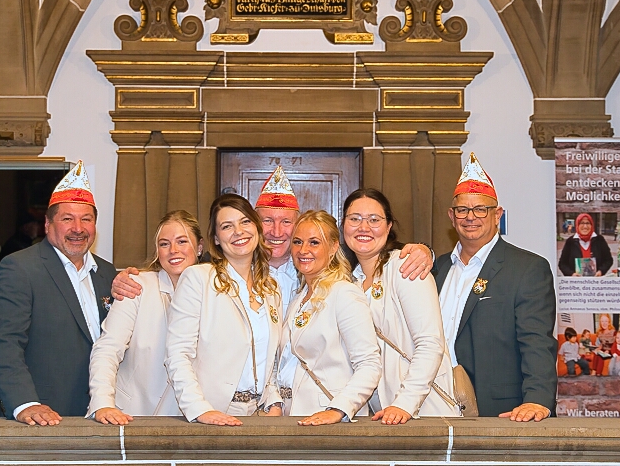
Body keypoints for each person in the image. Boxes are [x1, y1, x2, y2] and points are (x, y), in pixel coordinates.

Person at [110, 165, 433, 310]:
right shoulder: (222, 269)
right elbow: (177, 265)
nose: (277, 232)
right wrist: (128, 279)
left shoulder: (330, 269)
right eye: (267, 221)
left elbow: (373, 252)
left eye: (286, 223)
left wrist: (423, 251)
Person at [0, 161, 117, 425]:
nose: (78, 228)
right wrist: (25, 404)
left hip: (97, 415)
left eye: (86, 219)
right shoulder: (20, 268)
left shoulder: (107, 272)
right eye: (67, 219)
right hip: (37, 417)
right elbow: (6, 344)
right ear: (47, 224)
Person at [432, 153, 557, 421]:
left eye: (481, 209)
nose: (470, 217)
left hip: (498, 413)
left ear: (497, 215)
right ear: (452, 216)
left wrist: (537, 399)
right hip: (434, 406)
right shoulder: (437, 268)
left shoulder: (527, 269)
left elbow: (537, 341)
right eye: (462, 210)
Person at [341, 188, 458, 423]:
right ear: (343, 225)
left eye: (374, 220)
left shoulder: (406, 266)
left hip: (423, 408)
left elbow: (430, 343)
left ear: (389, 226)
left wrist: (404, 403)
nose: (364, 227)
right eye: (355, 219)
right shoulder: (349, 281)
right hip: (381, 413)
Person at [165, 194, 283, 424]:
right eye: (227, 226)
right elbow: (178, 354)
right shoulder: (199, 278)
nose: (238, 231)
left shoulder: (270, 288)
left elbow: (272, 358)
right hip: (213, 411)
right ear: (216, 239)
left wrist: (274, 401)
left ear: (257, 229)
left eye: (245, 222)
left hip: (260, 414)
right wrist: (200, 410)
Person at [86, 210, 203, 424]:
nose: (173, 250)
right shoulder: (137, 286)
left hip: (194, 417)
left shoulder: (217, 291)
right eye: (164, 244)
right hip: (134, 414)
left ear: (200, 247)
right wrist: (103, 402)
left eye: (182, 241)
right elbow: (108, 349)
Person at [284, 210, 381, 424]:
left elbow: (370, 364)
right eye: (297, 242)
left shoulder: (344, 293)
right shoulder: (297, 299)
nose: (303, 250)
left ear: (334, 247)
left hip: (330, 418)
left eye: (314, 242)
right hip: (294, 415)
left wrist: (339, 409)